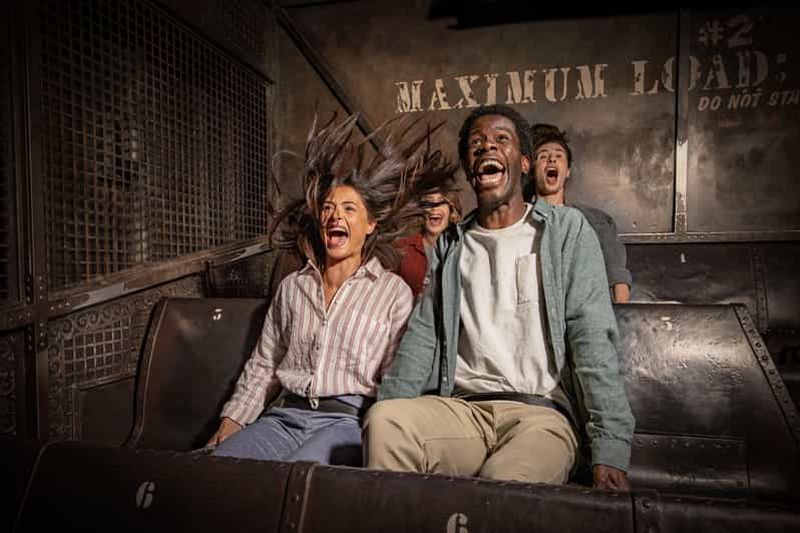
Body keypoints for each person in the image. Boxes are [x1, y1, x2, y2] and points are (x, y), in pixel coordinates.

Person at [363, 105, 635, 490]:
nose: (487, 146)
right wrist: (387, 404)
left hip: (541, 414)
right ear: (469, 168)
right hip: (464, 411)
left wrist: (610, 447)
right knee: (385, 423)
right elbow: (422, 339)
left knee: (503, 484)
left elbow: (592, 336)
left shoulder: (566, 231)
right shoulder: (451, 245)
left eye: (501, 140)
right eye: (476, 144)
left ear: (524, 163)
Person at [207, 113, 456, 466]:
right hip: (284, 416)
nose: (335, 216)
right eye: (328, 208)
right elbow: (265, 362)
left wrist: (381, 434)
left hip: (347, 421)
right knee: (221, 466)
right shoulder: (293, 288)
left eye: (349, 209)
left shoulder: (393, 294)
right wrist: (233, 420)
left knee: (296, 478)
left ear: (370, 224)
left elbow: (395, 380)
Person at [529, 123, 632, 303]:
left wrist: (620, 314)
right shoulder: (520, 220)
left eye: (558, 155)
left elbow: (617, 276)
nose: (551, 159)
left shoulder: (597, 221)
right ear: (531, 170)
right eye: (543, 156)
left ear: (567, 171)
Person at [393, 190, 462, 299]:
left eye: (441, 202)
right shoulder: (401, 247)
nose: (434, 208)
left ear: (451, 210)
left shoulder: (462, 249)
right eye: (429, 203)